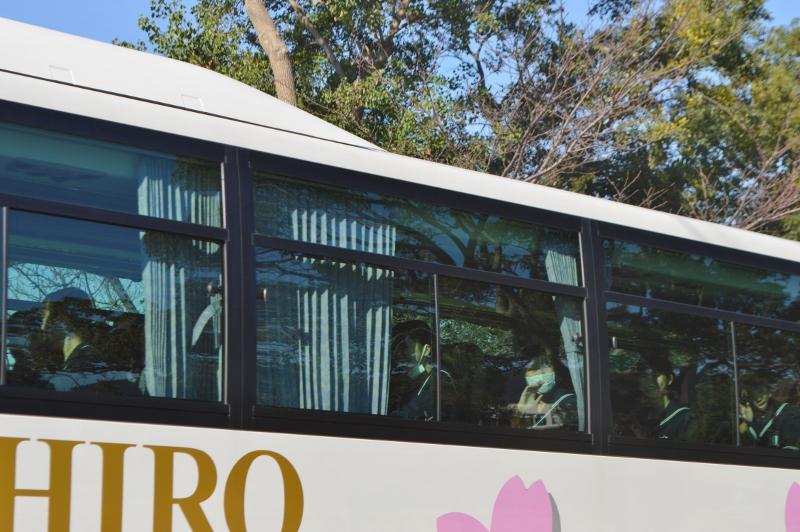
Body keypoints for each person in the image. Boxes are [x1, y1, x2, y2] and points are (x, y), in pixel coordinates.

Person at [38, 287, 139, 395]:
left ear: (62, 320)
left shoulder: (78, 373)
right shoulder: (98, 364)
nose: (42, 327)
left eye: (44, 318)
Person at [514, 347, 578, 431]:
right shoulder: (530, 402)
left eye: (546, 365)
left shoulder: (569, 402)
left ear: (555, 370)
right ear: (525, 375)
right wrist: (521, 412)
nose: (541, 372)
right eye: (533, 368)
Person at [739, 378, 800, 450]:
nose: (758, 399)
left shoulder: (787, 413)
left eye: (761, 392)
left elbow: (791, 450)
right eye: (753, 395)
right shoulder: (741, 417)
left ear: (769, 393)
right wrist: (746, 422)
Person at [652, 364, 693, 441]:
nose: (649, 379)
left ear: (670, 379)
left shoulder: (684, 415)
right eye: (644, 375)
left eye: (656, 374)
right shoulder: (640, 416)